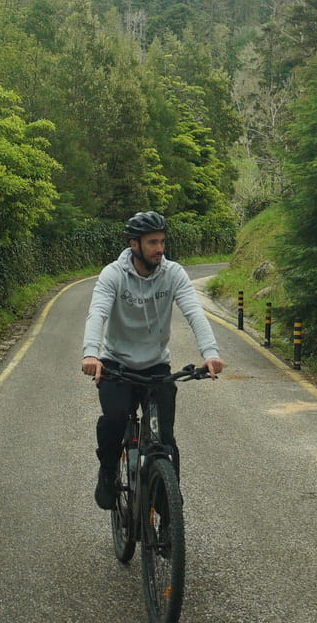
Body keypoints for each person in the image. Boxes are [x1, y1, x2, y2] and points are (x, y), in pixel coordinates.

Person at [80, 211, 223, 509]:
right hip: (117, 365)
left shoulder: (173, 274)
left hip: (156, 368)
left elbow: (195, 313)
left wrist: (210, 353)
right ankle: (107, 472)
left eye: (162, 242)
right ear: (134, 244)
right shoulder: (113, 275)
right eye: (152, 243)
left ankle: (168, 505)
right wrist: (91, 353)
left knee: (165, 440)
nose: (160, 248)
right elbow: (98, 313)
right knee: (114, 420)